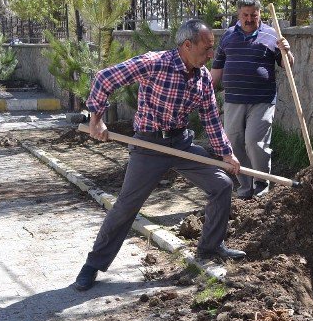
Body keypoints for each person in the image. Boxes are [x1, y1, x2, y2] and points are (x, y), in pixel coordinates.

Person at [74, 18, 245, 291]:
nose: (212, 55)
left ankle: (210, 247)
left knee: (222, 184)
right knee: (127, 206)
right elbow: (105, 78)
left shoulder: (201, 79)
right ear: (187, 45)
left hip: (180, 144)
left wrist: (226, 155)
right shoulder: (155, 63)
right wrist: (97, 119)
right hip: (149, 147)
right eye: (206, 48)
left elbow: (212, 120)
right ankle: (93, 265)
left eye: (213, 48)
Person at [210, 0, 293, 199]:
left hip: (262, 100)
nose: (249, 19)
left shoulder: (272, 35)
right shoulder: (228, 36)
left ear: (260, 14)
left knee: (255, 141)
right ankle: (246, 187)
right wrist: (205, 92)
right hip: (233, 100)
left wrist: (287, 51)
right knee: (234, 143)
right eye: (245, 15)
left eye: (253, 15)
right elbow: (216, 70)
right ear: (238, 14)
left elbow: (287, 66)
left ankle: (262, 185)